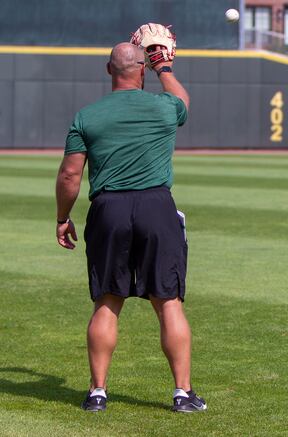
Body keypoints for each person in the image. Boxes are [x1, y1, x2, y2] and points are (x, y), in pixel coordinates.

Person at [54, 40, 206, 412]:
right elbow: (184, 101)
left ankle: (97, 393)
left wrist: (62, 217)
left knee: (107, 300)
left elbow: (71, 174)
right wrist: (163, 68)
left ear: (109, 71)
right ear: (141, 70)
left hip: (109, 208)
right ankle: (183, 394)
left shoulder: (87, 116)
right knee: (168, 302)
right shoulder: (164, 106)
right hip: (156, 205)